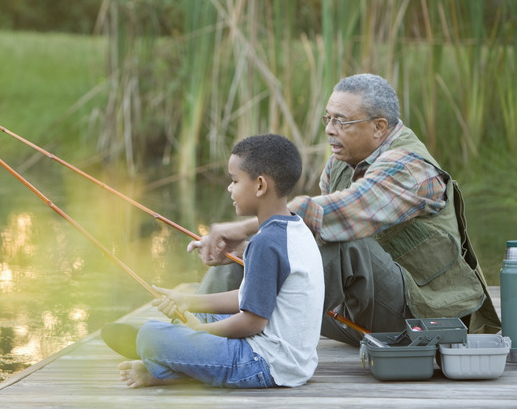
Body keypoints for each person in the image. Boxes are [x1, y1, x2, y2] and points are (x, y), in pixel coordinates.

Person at [191, 73, 500, 346]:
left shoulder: (408, 166)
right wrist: (249, 247)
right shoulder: (339, 162)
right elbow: (303, 240)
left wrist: (245, 226)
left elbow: (337, 215)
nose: (329, 130)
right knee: (257, 249)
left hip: (421, 317)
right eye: (328, 118)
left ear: (379, 127)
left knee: (343, 245)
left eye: (341, 121)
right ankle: (187, 327)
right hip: (356, 315)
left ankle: (218, 340)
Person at [110, 134, 324, 389]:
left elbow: (253, 321)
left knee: (150, 336)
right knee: (196, 312)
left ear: (260, 185)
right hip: (293, 361)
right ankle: (170, 361)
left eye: (234, 181)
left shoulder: (265, 243)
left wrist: (200, 332)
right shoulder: (294, 227)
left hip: (264, 364)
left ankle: (162, 362)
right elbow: (249, 297)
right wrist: (185, 301)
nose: (229, 188)